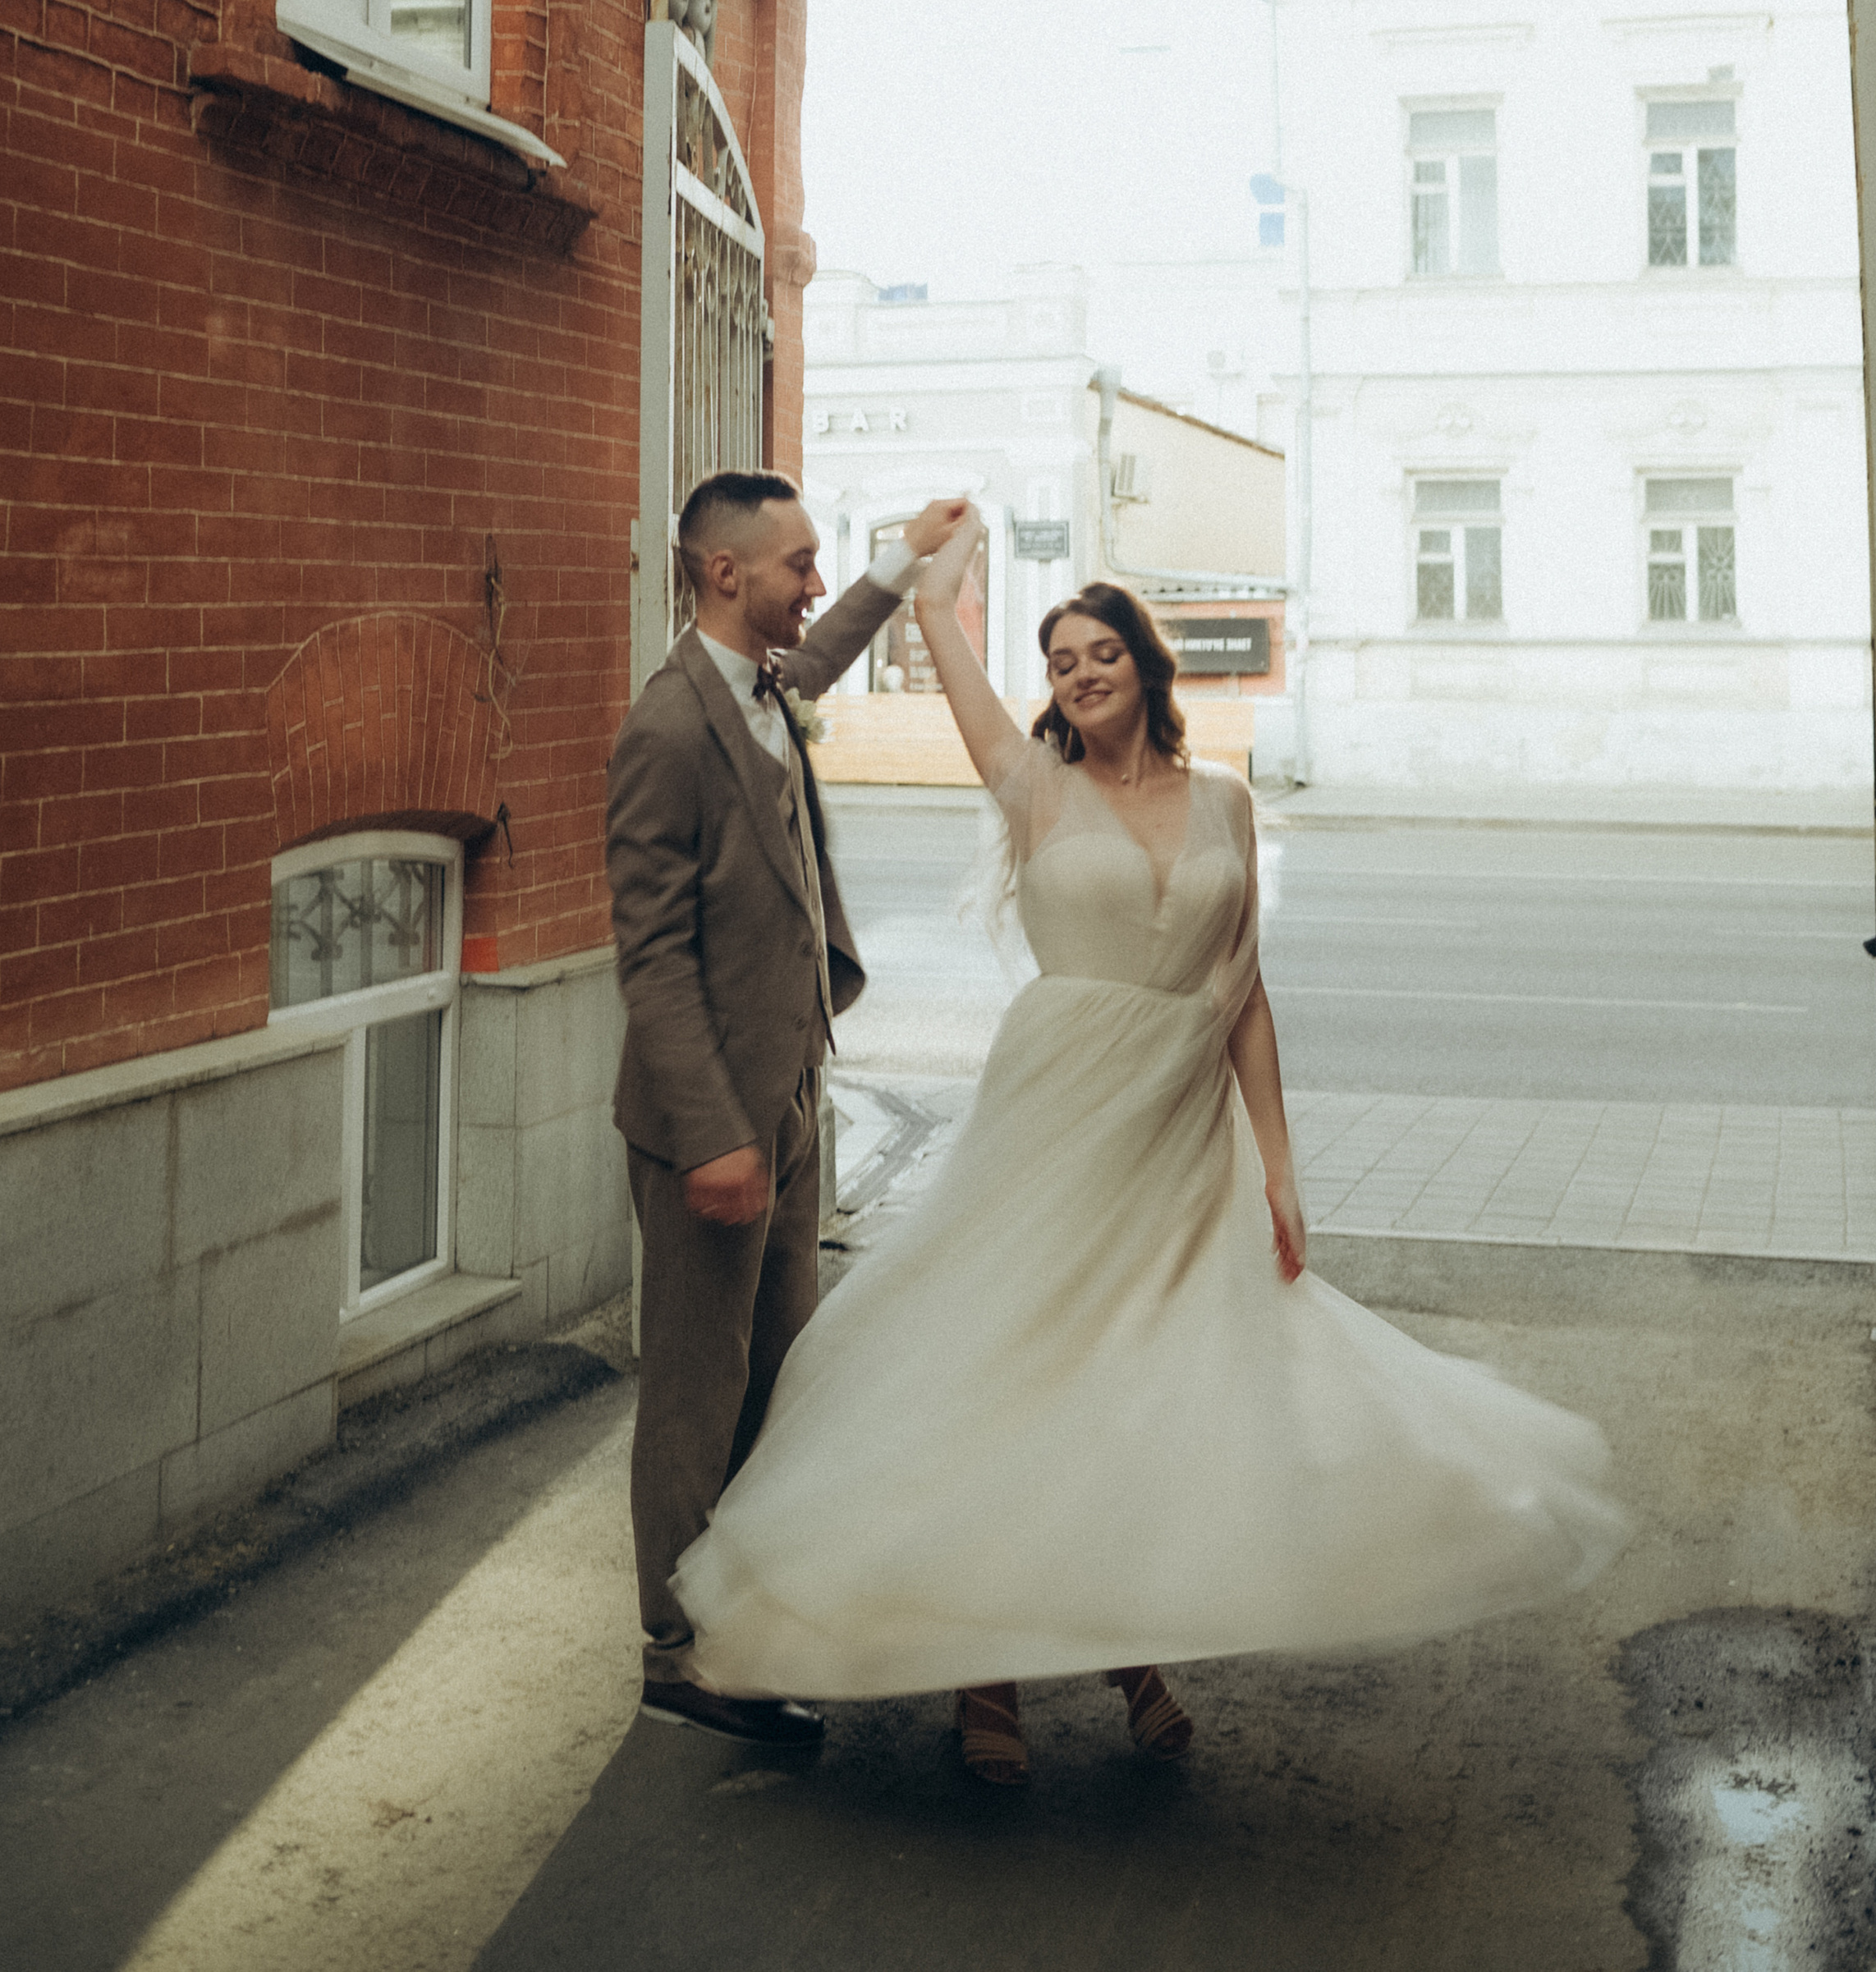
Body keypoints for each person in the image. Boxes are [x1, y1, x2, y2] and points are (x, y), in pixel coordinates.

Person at [673, 509, 1626, 1786]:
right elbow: (957, 669)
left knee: (1145, 1384)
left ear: (1144, 659)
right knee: (1016, 1372)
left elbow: (1246, 996)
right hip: (1055, 1123)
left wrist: (1279, 1165)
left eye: (1098, 648)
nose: (1079, 672)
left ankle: (1127, 1644)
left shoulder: (1228, 797)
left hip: (1179, 1137)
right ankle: (988, 1675)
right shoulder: (1032, 786)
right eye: (1059, 660)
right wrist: (934, 582)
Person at [606, 468, 970, 1749]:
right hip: (710, 1122)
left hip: (795, 1086)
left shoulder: (758, 681)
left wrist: (902, 562)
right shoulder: (665, 729)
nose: (813, 582)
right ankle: (677, 1645)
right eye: (799, 562)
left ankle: (747, 1607)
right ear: (724, 574)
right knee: (697, 1390)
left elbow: (818, 656)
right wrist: (713, 1134)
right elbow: (649, 954)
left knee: (778, 1371)